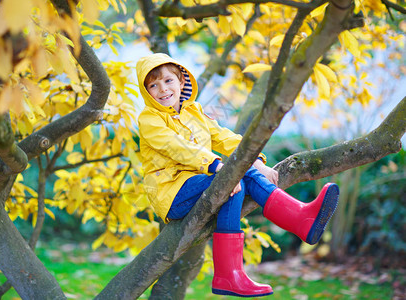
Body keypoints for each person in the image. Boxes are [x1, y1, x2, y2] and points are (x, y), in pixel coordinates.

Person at [136, 53, 339, 297]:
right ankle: (231, 272)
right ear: (147, 92)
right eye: (153, 85)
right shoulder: (149, 119)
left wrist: (257, 161)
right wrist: (216, 166)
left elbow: (225, 137)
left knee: (241, 174)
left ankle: (299, 222)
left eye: (168, 81)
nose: (162, 89)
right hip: (172, 193)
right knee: (232, 178)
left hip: (201, 181)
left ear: (181, 81)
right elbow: (175, 147)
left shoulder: (195, 112)